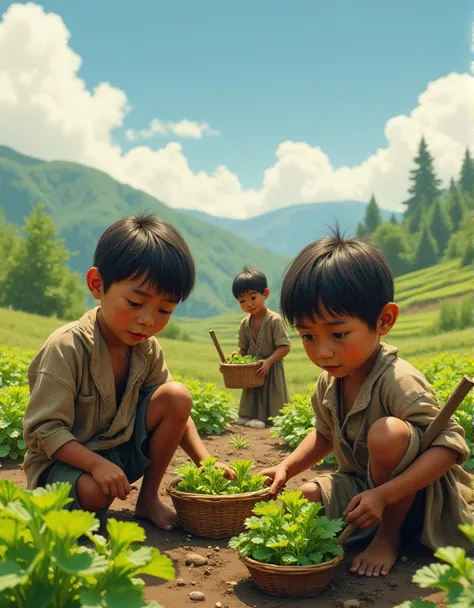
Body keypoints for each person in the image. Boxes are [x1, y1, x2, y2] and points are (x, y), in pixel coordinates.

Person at [261, 230, 473, 576]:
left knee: (388, 433)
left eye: (338, 334)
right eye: (308, 336)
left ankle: (388, 537)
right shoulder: (330, 378)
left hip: (417, 497)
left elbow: (448, 449)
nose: (322, 350)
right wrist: (287, 467)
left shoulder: (398, 380)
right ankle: (370, 523)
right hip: (362, 488)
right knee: (301, 500)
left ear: (384, 320)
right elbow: (324, 435)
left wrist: (385, 495)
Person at [23, 214, 234, 531]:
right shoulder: (66, 347)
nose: (148, 320)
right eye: (135, 302)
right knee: (95, 493)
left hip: (119, 457)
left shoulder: (148, 350)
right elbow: (44, 431)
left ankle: (148, 501)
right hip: (64, 465)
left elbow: (176, 411)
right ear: (97, 285)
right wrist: (96, 464)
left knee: (176, 395)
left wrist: (205, 460)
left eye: (165, 310)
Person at [231, 267, 290, 428]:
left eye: (252, 297)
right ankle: (249, 415)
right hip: (252, 370)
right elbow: (242, 349)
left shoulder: (274, 320)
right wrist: (234, 360)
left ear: (265, 294)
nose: (248, 304)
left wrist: (269, 362)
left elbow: (284, 347)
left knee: (271, 394)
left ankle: (266, 419)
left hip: (270, 368)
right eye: (242, 301)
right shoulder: (244, 324)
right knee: (252, 393)